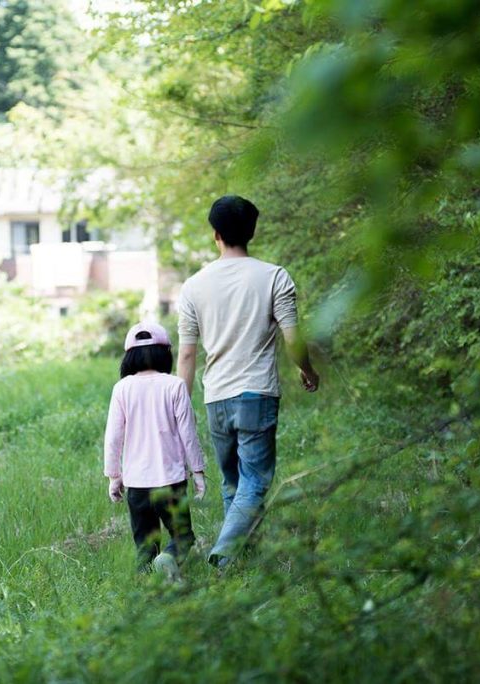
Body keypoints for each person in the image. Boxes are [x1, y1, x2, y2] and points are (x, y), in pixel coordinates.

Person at [176, 195, 319, 569]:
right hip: (257, 393)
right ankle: (224, 555)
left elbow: (187, 355)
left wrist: (179, 405)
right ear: (251, 232)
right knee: (253, 482)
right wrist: (308, 370)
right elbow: (293, 339)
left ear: (216, 234)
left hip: (216, 396)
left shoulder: (193, 286)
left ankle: (242, 559)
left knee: (233, 484)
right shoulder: (274, 276)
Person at [104, 321, 207, 580]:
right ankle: (169, 560)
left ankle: (148, 586)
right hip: (170, 480)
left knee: (145, 544)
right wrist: (198, 471)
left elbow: (113, 437)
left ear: (129, 356)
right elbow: (188, 433)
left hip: (137, 483)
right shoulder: (175, 385)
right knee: (183, 536)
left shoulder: (122, 388)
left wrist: (114, 476)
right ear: (165, 353)